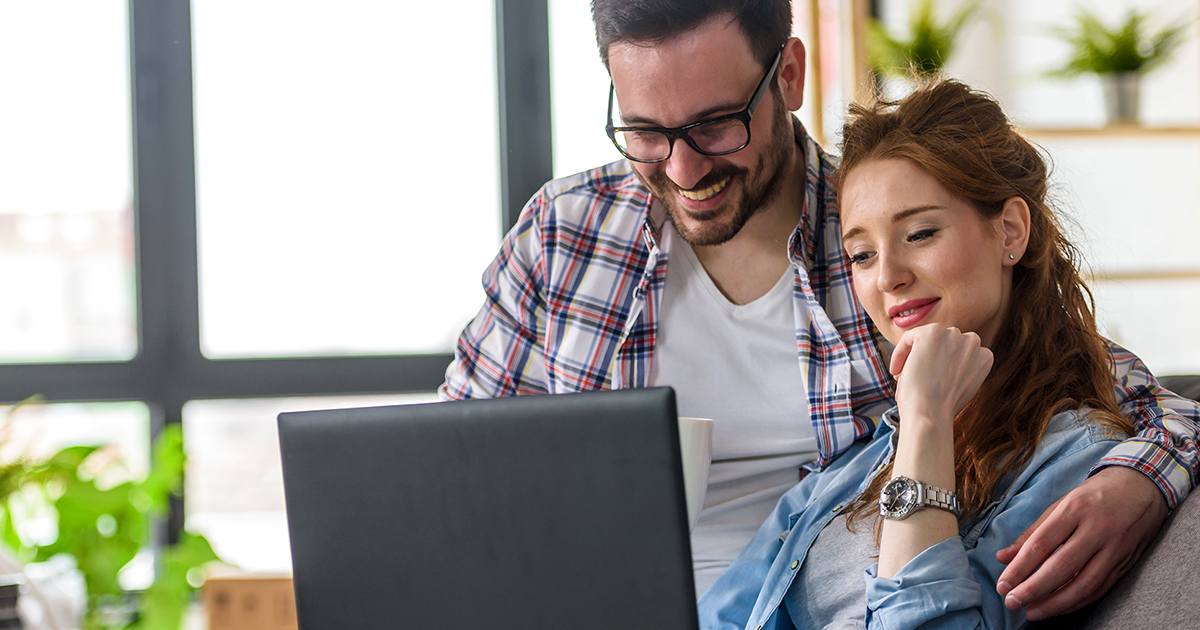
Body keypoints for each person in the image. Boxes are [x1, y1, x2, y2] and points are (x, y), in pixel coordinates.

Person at [439, 0, 1200, 617]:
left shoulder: (875, 227)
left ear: (789, 74)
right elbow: (450, 459)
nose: (682, 167)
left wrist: (1146, 475)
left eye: (714, 124)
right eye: (645, 132)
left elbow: (1103, 384)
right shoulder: (565, 232)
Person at [698, 76, 1164, 629]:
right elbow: (720, 614)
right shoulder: (861, 460)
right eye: (862, 254)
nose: (888, 277)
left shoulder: (1077, 459)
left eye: (919, 233)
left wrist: (925, 420)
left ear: (1011, 231)